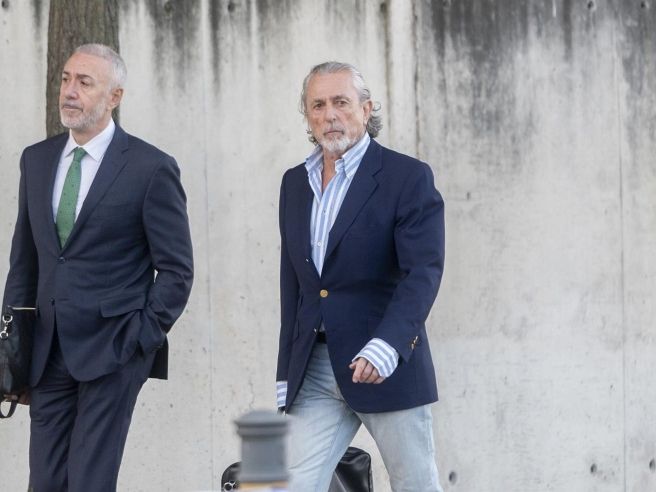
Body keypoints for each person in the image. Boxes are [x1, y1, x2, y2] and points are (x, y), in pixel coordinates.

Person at [2, 44, 194, 491]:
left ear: (114, 97)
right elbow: (24, 260)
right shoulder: (36, 159)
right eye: (66, 79)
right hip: (48, 352)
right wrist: (14, 349)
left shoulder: (151, 168)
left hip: (115, 350)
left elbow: (177, 271)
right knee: (44, 481)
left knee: (90, 481)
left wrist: (140, 339)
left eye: (84, 83)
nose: (69, 91)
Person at [276, 61, 445, 492]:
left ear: (366, 110)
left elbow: (422, 272)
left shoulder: (407, 177)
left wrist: (388, 345)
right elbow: (294, 284)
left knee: (416, 486)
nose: (330, 114)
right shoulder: (295, 183)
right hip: (315, 368)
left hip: (386, 364)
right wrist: (285, 372)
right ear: (307, 116)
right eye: (318, 105)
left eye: (341, 102)